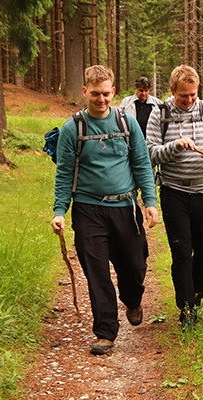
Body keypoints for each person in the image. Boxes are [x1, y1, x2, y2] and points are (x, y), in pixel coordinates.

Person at [51, 65, 158, 356]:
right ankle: (105, 331)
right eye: (95, 94)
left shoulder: (127, 123)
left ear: (113, 91)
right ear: (85, 92)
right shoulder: (73, 128)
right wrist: (60, 211)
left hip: (125, 206)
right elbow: (64, 174)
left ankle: (132, 299)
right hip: (88, 210)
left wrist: (149, 203)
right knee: (97, 273)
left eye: (106, 93)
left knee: (135, 267)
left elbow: (142, 165)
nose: (101, 100)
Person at [146, 65, 203, 327]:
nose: (189, 100)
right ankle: (186, 309)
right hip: (173, 191)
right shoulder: (159, 114)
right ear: (172, 91)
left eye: (193, 94)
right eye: (184, 95)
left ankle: (196, 294)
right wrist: (175, 145)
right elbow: (150, 152)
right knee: (182, 251)